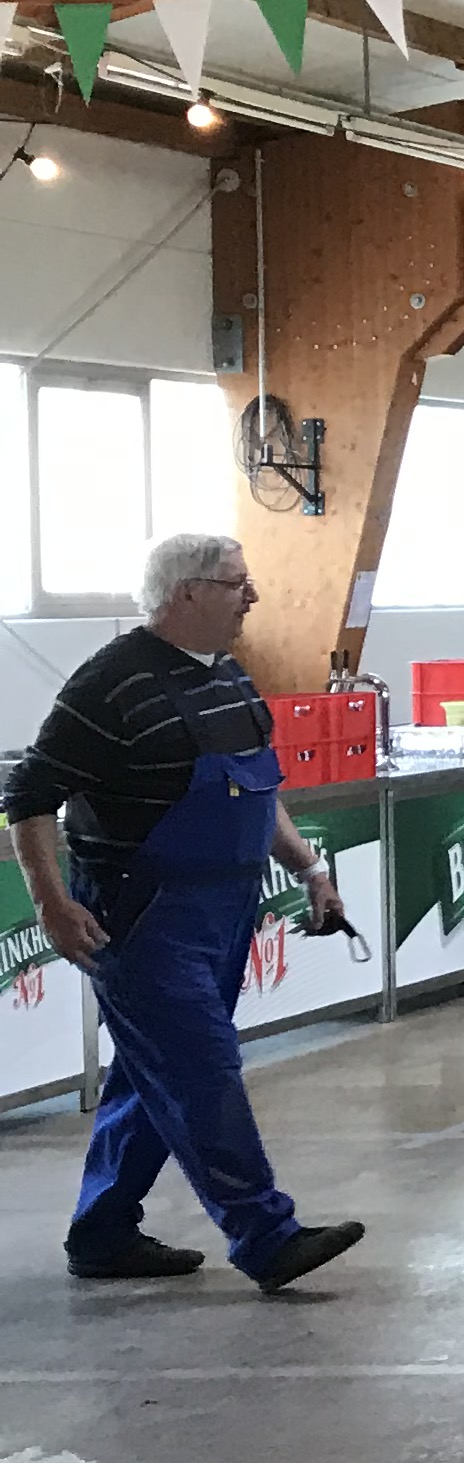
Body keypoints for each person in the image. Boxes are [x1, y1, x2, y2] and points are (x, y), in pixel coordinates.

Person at [4, 535, 362, 1290]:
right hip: (142, 917)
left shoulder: (230, 676)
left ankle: (103, 1232)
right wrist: (50, 902)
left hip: (224, 912)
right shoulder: (110, 684)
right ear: (187, 592)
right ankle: (267, 1237)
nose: (252, 597)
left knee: (151, 1074)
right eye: (237, 584)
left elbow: (259, 791)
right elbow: (29, 794)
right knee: (202, 1070)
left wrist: (310, 869)